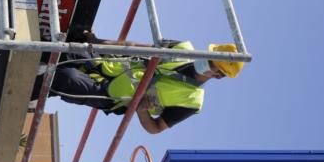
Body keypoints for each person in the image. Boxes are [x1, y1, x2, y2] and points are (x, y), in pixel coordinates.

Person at [47, 36, 244, 134]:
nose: (206, 63)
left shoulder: (192, 102)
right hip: (109, 65)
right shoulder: (184, 48)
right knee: (69, 45)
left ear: (219, 76)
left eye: (212, 64)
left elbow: (155, 128)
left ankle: (34, 85)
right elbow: (138, 47)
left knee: (67, 78)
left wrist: (142, 111)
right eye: (208, 58)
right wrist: (99, 42)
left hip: (110, 94)